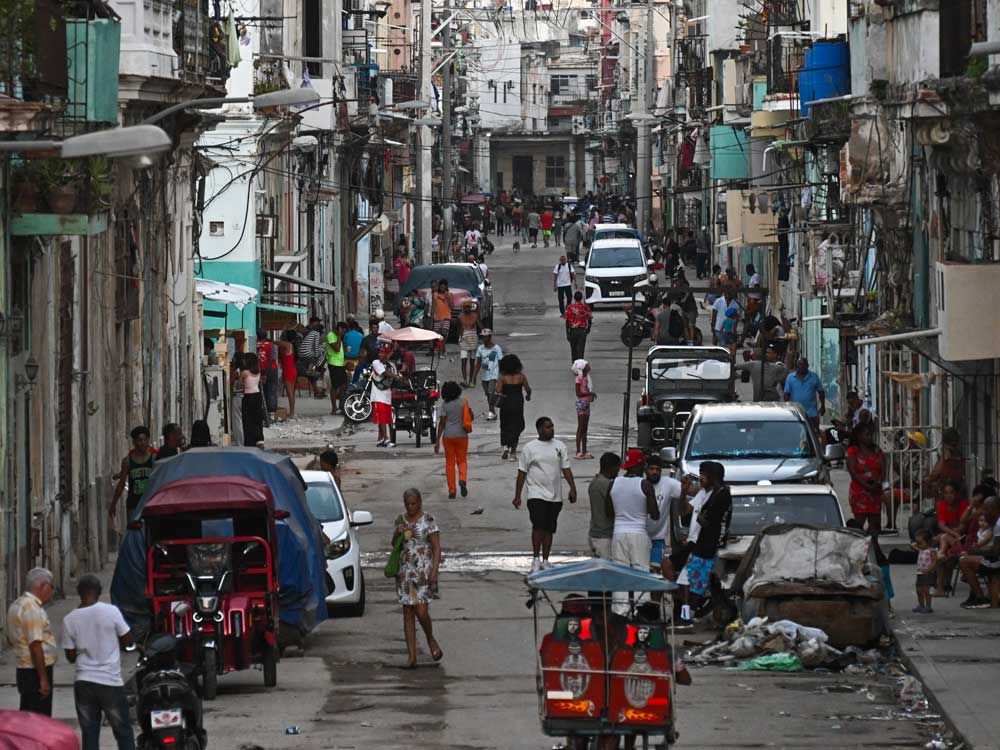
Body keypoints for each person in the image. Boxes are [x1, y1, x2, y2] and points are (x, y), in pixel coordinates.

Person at [61, 574, 135, 750]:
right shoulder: (111, 611)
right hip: (109, 681)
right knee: (123, 730)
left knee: (90, 732)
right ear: (99, 591)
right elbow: (128, 640)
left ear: (79, 593)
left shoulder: (69, 619)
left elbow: (70, 657)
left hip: (84, 682)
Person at [669, 461, 732, 628]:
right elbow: (689, 513)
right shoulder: (707, 493)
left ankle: (687, 616)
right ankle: (686, 615)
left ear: (712, 476)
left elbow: (705, 520)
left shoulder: (721, 494)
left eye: (703, 475)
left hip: (708, 545)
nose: (701, 478)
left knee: (692, 583)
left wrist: (702, 517)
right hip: (700, 543)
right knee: (688, 583)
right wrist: (684, 492)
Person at [513, 417, 577, 573]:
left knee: (549, 528)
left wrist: (572, 488)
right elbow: (522, 472)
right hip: (536, 494)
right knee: (538, 526)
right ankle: (535, 559)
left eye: (552, 426)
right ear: (540, 429)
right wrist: (518, 495)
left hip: (555, 496)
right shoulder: (530, 448)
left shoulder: (560, 446)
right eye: (548, 427)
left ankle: (546, 560)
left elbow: (566, 469)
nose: (552, 429)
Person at [392, 489, 443, 667]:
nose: (411, 507)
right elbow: (395, 545)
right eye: (408, 504)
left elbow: (436, 548)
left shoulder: (428, 520)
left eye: (414, 503)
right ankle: (411, 657)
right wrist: (397, 533)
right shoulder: (400, 520)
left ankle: (430, 639)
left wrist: (435, 571)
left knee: (421, 612)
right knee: (407, 613)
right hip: (405, 573)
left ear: (420, 502)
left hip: (423, 573)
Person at [609, 450, 661, 605]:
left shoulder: (614, 483)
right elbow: (655, 514)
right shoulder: (644, 485)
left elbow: (608, 511)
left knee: (620, 573)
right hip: (638, 533)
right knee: (641, 572)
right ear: (639, 465)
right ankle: (641, 610)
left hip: (618, 533)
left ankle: (620, 610)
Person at [6, 568, 57, 715]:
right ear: (42, 586)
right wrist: (43, 679)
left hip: (25, 668)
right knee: (39, 718)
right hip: (34, 670)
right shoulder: (31, 607)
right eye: (51, 587)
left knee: (28, 715)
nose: (52, 591)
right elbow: (35, 645)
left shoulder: (18, 603)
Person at [645, 457, 687, 579]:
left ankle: (654, 599)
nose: (654, 472)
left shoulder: (668, 483)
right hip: (639, 537)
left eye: (658, 469)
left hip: (657, 539)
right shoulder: (639, 483)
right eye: (651, 469)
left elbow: (689, 491)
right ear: (645, 470)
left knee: (656, 575)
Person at [958, 497, 1000, 608]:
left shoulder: (998, 525)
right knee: (967, 558)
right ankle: (981, 596)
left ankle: (980, 596)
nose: (985, 512)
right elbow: (963, 521)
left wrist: (975, 551)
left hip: (996, 562)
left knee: (964, 561)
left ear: (997, 509)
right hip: (994, 559)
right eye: (985, 509)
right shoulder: (995, 523)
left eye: (988, 509)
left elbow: (995, 551)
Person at [109, 426, 156, 520]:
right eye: (140, 440)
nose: (143, 443)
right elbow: (121, 484)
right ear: (134, 442)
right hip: (134, 505)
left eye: (145, 440)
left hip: (151, 504)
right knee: (134, 532)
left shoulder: (154, 459)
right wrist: (113, 504)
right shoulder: (127, 462)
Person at [846, 422, 885, 534]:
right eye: (867, 434)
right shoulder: (853, 450)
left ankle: (874, 547)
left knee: (875, 526)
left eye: (871, 434)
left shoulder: (876, 450)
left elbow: (883, 468)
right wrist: (867, 486)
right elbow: (853, 472)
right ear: (859, 436)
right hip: (860, 492)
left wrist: (880, 482)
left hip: (875, 491)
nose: (869, 437)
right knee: (859, 526)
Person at [435, 381, 471, 499]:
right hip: (462, 435)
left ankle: (452, 490)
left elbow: (442, 423)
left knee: (450, 463)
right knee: (462, 460)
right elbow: (470, 417)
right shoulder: (463, 402)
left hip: (448, 436)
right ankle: (462, 479)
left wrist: (437, 441)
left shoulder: (445, 405)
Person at [496, 353, 531, 460]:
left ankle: (506, 447)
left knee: (505, 424)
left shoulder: (502, 377)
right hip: (518, 403)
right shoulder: (521, 376)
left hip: (506, 403)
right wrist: (528, 396)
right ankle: (513, 453)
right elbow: (528, 389)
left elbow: (498, 390)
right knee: (517, 425)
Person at [372, 343, 407, 448]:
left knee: (385, 418)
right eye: (379, 352)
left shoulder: (392, 366)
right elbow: (384, 373)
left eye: (382, 352)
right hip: (377, 395)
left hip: (387, 395)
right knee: (382, 418)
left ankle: (380, 439)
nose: (379, 354)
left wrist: (403, 379)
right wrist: (396, 376)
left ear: (387, 355)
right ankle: (386, 439)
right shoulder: (376, 363)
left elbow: (397, 378)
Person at [588, 453, 620, 559]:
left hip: (596, 533)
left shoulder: (595, 482)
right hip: (604, 535)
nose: (618, 472)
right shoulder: (606, 485)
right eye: (617, 469)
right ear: (611, 468)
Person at [784, 358, 826, 432]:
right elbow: (787, 393)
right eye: (799, 365)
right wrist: (788, 406)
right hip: (796, 412)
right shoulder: (790, 377)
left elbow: (821, 392)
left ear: (807, 366)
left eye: (803, 365)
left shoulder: (814, 377)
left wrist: (823, 405)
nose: (801, 367)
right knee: (797, 432)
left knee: (814, 432)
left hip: (811, 412)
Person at [473, 329, 502, 420]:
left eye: (485, 337)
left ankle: (491, 412)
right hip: (484, 376)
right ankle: (493, 411)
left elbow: (501, 362)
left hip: (493, 375)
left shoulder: (496, 348)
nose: (484, 339)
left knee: (491, 393)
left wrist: (502, 376)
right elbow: (478, 363)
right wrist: (474, 376)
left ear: (489, 337)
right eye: (482, 337)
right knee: (488, 395)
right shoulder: (480, 349)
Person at [572, 359, 595, 460]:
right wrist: (590, 394)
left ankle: (584, 450)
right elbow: (578, 393)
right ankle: (578, 451)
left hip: (586, 403)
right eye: (587, 365)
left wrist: (590, 396)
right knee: (580, 428)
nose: (589, 366)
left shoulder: (587, 378)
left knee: (585, 428)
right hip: (581, 403)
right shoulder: (579, 379)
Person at [241, 353, 265, 447]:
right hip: (257, 396)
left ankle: (249, 441)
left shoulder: (245, 372)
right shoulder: (258, 371)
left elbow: (239, 384)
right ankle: (259, 439)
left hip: (248, 396)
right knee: (257, 418)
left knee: (247, 420)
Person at [297, 317, 325, 398]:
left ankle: (317, 391)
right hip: (306, 355)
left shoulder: (310, 332)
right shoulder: (310, 332)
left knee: (314, 373)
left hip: (303, 354)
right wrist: (316, 356)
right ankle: (315, 368)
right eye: (317, 323)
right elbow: (315, 346)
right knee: (322, 355)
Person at [912, 529, 938, 614]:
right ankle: (921, 605)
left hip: (928, 573)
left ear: (928, 542)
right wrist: (917, 543)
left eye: (921, 543)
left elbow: (934, 561)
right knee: (919, 590)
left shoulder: (931, 551)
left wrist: (929, 569)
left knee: (926, 590)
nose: (919, 545)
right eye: (918, 543)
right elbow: (912, 545)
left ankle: (928, 606)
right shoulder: (920, 549)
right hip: (919, 572)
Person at [326, 321, 348, 415]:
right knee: (335, 386)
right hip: (334, 363)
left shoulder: (339, 337)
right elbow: (337, 348)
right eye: (343, 331)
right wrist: (339, 335)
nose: (344, 333)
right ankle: (334, 408)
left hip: (340, 363)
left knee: (343, 385)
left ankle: (341, 406)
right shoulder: (331, 335)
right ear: (339, 329)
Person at [257, 329, 280, 418]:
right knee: (271, 390)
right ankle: (271, 414)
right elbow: (272, 359)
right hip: (271, 370)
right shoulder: (270, 345)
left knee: (265, 391)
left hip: (264, 370)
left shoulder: (257, 345)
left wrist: (264, 373)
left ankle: (266, 412)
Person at [564, 290, 592, 361]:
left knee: (573, 350)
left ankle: (574, 365)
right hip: (582, 331)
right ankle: (580, 365)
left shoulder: (570, 307)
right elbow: (589, 319)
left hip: (573, 331)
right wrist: (588, 328)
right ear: (582, 298)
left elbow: (567, 321)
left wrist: (567, 333)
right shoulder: (585, 307)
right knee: (581, 350)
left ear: (574, 298)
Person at [457, 300, 480, 387]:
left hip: (473, 341)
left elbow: (478, 307)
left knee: (472, 362)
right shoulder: (460, 317)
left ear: (470, 308)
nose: (467, 309)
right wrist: (460, 337)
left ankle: (470, 380)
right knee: (464, 361)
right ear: (463, 308)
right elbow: (459, 329)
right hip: (464, 341)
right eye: (465, 307)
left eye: (468, 307)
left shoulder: (475, 316)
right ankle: (465, 380)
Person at [278, 330, 299, 418]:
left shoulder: (287, 345)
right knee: (291, 393)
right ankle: (292, 411)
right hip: (292, 369)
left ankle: (292, 413)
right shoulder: (290, 346)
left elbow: (276, 342)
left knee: (290, 393)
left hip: (288, 370)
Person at [432, 279, 453, 346]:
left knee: (444, 333)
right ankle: (439, 347)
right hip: (437, 317)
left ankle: (442, 349)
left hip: (446, 316)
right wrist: (432, 316)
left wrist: (447, 297)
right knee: (438, 334)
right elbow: (433, 306)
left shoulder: (450, 294)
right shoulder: (435, 294)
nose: (442, 288)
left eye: (444, 287)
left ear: (446, 287)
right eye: (441, 287)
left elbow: (451, 306)